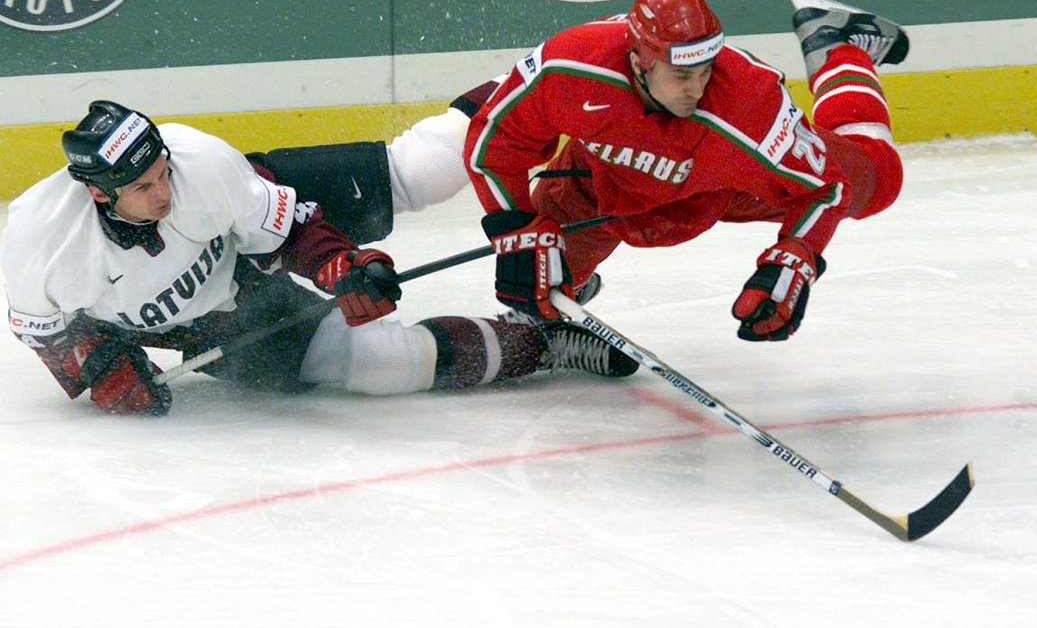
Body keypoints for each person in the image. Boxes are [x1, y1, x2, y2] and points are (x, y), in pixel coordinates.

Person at [0, 101, 636, 416]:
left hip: (251, 224)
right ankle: (547, 345)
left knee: (423, 169)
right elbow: (49, 339)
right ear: (96, 192)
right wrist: (102, 368)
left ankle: (540, 86)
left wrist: (341, 266)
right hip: (214, 323)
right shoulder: (39, 241)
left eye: (163, 173)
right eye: (141, 189)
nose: (164, 195)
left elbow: (290, 229)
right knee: (386, 363)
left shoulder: (203, 166)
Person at [462, 0, 909, 341]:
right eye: (680, 75)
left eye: (705, 70)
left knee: (881, 180)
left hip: (726, 184)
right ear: (639, 61)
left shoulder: (750, 106)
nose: (696, 90)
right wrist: (516, 228)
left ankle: (840, 46)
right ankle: (576, 284)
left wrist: (796, 254)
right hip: (600, 182)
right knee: (539, 300)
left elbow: (825, 188)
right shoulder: (572, 67)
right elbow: (494, 143)